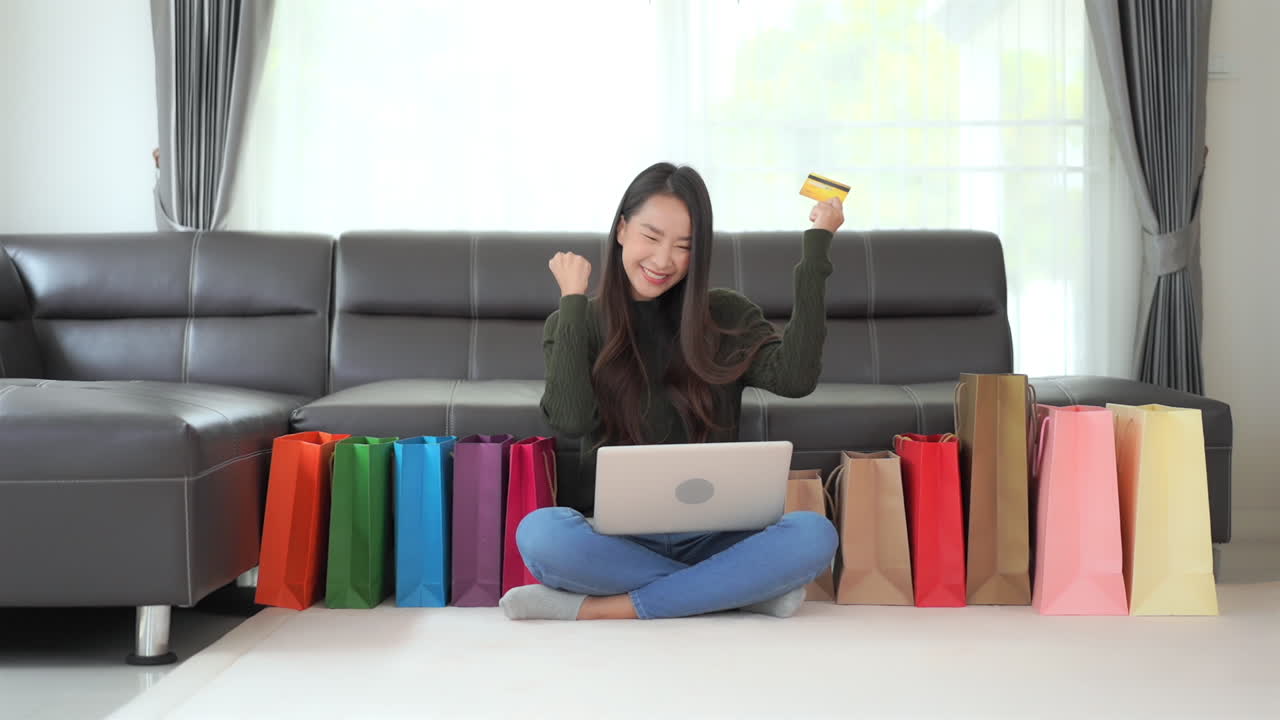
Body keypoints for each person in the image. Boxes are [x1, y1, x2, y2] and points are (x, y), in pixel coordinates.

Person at [500, 162, 843, 621]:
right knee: (540, 536)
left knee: (814, 535)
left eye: (684, 246)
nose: (663, 261)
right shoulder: (577, 321)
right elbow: (570, 419)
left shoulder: (726, 314)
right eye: (651, 236)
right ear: (621, 229)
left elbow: (796, 379)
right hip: (616, 536)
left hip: (718, 533)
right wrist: (572, 302)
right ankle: (739, 591)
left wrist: (818, 247)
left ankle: (603, 609)